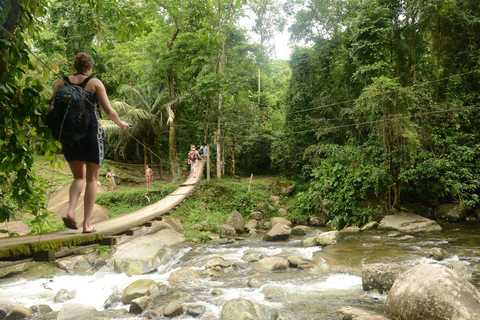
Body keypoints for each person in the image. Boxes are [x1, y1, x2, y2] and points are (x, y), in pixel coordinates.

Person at [51, 52, 130, 234]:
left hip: (69, 136)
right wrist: (120, 123)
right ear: (90, 67)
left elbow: (51, 109)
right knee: (92, 179)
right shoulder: (95, 83)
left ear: (74, 67)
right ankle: (86, 225)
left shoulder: (62, 83)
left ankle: (71, 211)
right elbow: (109, 110)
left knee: (78, 177)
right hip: (91, 133)